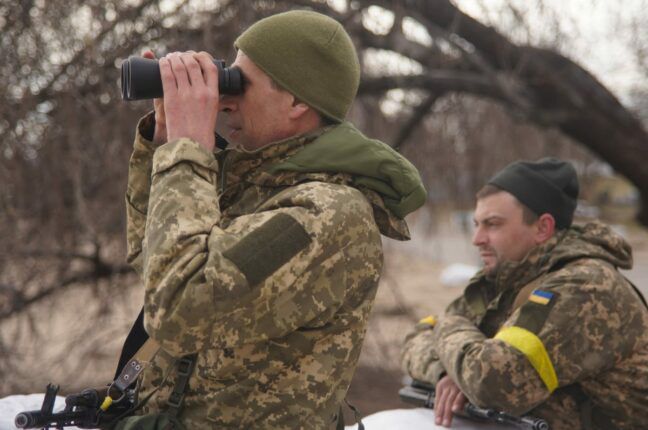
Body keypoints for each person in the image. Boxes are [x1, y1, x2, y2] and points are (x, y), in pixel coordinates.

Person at [124, 9, 426, 429]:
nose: (224, 99)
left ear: (299, 101)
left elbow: (178, 312)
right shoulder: (255, 187)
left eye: (239, 83)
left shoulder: (326, 213)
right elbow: (152, 264)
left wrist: (187, 149)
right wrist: (162, 142)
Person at [401, 158, 648, 430]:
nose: (477, 238)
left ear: (542, 228)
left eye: (492, 224)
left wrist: (447, 327)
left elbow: (493, 384)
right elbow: (416, 337)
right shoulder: (505, 279)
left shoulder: (587, 288)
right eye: (477, 224)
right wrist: (448, 372)